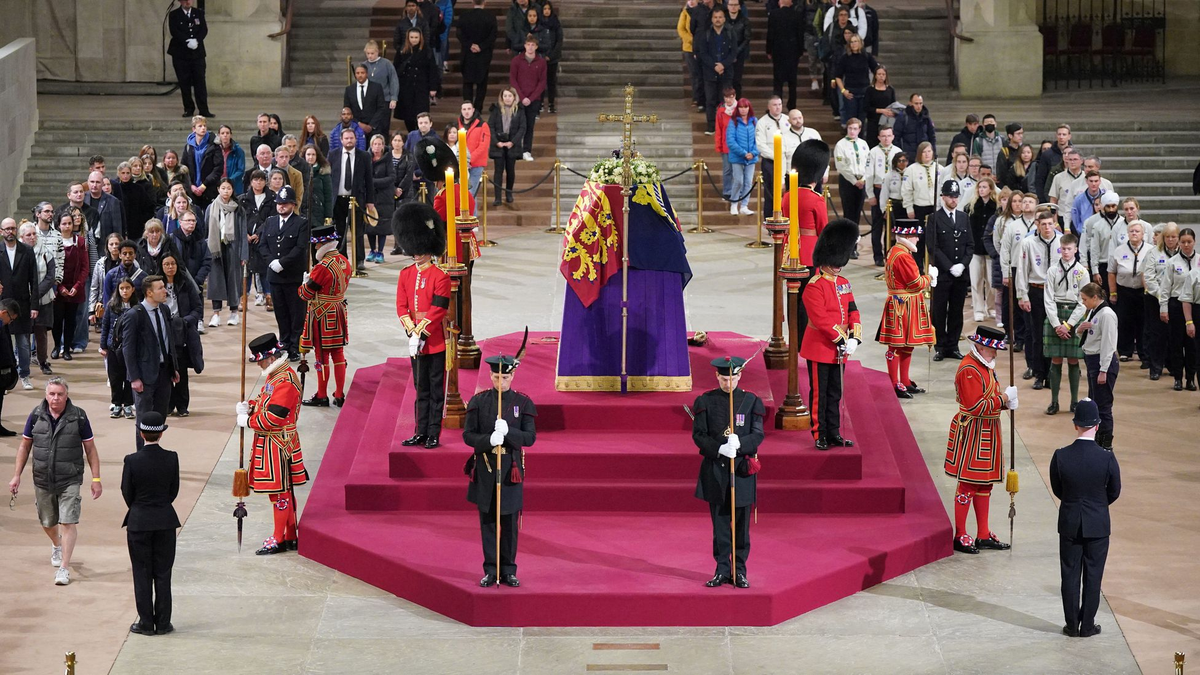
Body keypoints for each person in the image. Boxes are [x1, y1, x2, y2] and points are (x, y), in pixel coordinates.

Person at [8, 375, 102, 586]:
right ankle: (56, 544)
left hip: (70, 478)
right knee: (47, 521)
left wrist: (96, 478)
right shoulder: (35, 415)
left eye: (60, 394)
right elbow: (25, 446)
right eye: (52, 394)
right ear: (46, 395)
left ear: (67, 395)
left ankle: (64, 568)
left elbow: (91, 449)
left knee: (68, 521)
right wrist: (17, 475)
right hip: (42, 478)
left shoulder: (79, 417)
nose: (56, 398)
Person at [462, 351, 537, 588]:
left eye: (505, 378)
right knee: (488, 522)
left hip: (509, 472)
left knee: (510, 524)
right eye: (496, 377)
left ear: (512, 376)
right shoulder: (479, 401)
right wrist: (488, 439)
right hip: (485, 467)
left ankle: (508, 570)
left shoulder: (523, 403)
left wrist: (509, 433)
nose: (500, 382)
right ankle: (490, 569)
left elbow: (530, 438)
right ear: (490, 375)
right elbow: (468, 436)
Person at [1048, 398, 1120, 638]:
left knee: (1069, 573)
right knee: (1093, 575)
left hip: (1069, 521)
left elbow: (1058, 490)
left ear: (1075, 424)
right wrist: (1098, 506)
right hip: (1098, 524)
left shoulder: (1060, 456)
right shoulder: (1107, 457)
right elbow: (1114, 490)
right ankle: (1087, 625)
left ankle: (1071, 625)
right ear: (1097, 425)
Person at [944, 325, 1017, 554]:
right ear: (982, 346)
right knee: (968, 483)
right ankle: (960, 533)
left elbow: (990, 397)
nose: (995, 354)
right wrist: (1004, 398)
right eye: (993, 350)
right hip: (974, 431)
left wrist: (1005, 402)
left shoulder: (984, 366)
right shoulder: (969, 369)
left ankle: (983, 534)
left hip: (988, 431)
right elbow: (976, 406)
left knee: (984, 483)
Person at [692, 356, 764, 588]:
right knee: (721, 527)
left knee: (742, 529)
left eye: (733, 378)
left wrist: (740, 444)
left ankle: (740, 571)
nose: (729, 383)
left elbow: (758, 434)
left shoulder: (751, 401)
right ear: (717, 376)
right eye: (724, 378)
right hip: (716, 472)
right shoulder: (705, 400)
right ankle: (722, 570)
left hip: (741, 472)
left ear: (739, 376)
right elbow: (699, 435)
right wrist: (720, 447)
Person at [236, 333, 308, 555]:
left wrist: (248, 421)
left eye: (259, 360)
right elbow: (265, 400)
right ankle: (290, 533)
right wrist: (250, 406)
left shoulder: (284, 381)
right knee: (283, 491)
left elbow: (272, 418)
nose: (258, 364)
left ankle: (279, 538)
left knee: (280, 493)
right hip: (273, 441)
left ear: (268, 357)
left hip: (277, 442)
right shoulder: (275, 375)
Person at [800, 218, 861, 450]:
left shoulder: (843, 282)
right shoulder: (814, 286)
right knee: (820, 395)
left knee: (835, 393)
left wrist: (855, 336)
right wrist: (844, 339)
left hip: (840, 349)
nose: (838, 266)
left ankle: (834, 432)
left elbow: (853, 310)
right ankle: (819, 434)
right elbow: (821, 321)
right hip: (820, 348)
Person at [395, 202, 451, 449]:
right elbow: (401, 306)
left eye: (419, 250)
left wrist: (421, 331)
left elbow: (439, 308)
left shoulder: (441, 276)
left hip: (435, 340)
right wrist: (411, 331)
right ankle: (420, 431)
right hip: (415, 342)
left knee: (436, 389)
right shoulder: (406, 274)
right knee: (421, 389)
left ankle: (433, 433)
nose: (415, 254)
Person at [120, 409, 180, 636]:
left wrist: (139, 508)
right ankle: (163, 622)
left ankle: (146, 623)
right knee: (163, 574)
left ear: (141, 433)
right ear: (161, 434)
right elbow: (173, 490)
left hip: (139, 522)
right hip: (165, 520)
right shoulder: (172, 457)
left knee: (142, 573)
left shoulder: (132, 460)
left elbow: (127, 492)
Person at [780, 139, 830, 354]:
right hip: (810, 255)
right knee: (809, 302)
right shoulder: (816, 199)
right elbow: (823, 230)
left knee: (793, 300)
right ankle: (806, 343)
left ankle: (794, 339)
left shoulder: (787, 196)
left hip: (790, 253)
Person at [877, 223, 935, 397]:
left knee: (907, 345)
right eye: (916, 235)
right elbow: (915, 283)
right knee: (896, 346)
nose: (918, 238)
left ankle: (905, 380)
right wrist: (929, 278)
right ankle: (895, 383)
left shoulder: (899, 251)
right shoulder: (903, 255)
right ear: (908, 237)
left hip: (905, 303)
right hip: (902, 305)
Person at [122, 275, 179, 449]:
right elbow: (128, 349)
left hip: (164, 372)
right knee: (144, 419)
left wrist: (174, 367)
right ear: (149, 292)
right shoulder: (134, 315)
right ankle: (142, 455)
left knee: (159, 418)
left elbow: (169, 340)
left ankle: (154, 451)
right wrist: (134, 378)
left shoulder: (164, 310)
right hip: (144, 376)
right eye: (160, 288)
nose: (165, 291)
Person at [299, 223, 352, 408]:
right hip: (338, 311)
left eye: (316, 244)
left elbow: (305, 294)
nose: (315, 248)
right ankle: (339, 394)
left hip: (322, 315)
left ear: (323, 245)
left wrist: (304, 283)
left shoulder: (321, 267)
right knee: (338, 353)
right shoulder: (345, 261)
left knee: (322, 356)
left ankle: (321, 395)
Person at [258, 187, 310, 359]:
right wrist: (272, 262)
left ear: (293, 205)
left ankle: (295, 345)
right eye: (279, 204)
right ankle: (284, 342)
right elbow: (263, 245)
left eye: (285, 204)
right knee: (280, 313)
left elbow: (300, 248)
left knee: (296, 313)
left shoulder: (301, 223)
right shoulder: (270, 221)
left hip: (293, 276)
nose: (281, 207)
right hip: (275, 276)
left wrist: (283, 263)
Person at [1015, 208, 1064, 388]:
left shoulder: (1061, 241)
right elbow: (1022, 270)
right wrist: (1023, 295)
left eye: (1050, 224)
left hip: (1056, 293)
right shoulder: (1028, 243)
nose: (1047, 227)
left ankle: (1052, 374)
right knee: (1036, 334)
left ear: (1054, 224)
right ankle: (1039, 374)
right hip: (1036, 290)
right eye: (1043, 224)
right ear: (1037, 225)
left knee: (1053, 334)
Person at [1041, 233, 1089, 414]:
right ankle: (1054, 401)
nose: (1066, 252)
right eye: (1063, 248)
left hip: (1074, 317)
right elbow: (1048, 299)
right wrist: (1056, 324)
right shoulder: (1052, 271)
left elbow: (1083, 301)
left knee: (1074, 359)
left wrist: (1068, 325)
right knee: (1056, 358)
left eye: (1069, 249)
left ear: (1076, 249)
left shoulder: (1083, 272)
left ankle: (1074, 401)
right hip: (1056, 314)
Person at [927, 180, 973, 361]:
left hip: (960, 274)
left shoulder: (963, 217)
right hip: (942, 274)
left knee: (956, 311)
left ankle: (953, 345)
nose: (953, 200)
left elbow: (970, 245)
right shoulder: (934, 218)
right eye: (950, 196)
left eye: (956, 196)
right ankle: (940, 345)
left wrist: (962, 264)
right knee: (939, 310)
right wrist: (949, 266)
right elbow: (933, 246)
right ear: (943, 197)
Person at [1076, 283, 1120, 448]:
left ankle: (1106, 444)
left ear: (1095, 297)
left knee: (1103, 407)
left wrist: (1103, 370)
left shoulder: (1107, 314)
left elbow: (1109, 344)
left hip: (1102, 363)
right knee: (1095, 403)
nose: (1083, 302)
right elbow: (1088, 333)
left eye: (1085, 299)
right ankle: (1096, 441)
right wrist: (1080, 329)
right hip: (1093, 361)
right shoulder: (1094, 311)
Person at [159, 254, 203, 418]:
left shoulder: (186, 282)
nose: (170, 267)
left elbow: (197, 308)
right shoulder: (157, 284)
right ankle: (169, 404)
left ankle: (182, 405)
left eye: (173, 264)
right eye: (166, 264)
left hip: (183, 331)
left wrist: (185, 322)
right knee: (167, 370)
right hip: (165, 331)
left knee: (182, 371)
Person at [329, 127, 375, 274]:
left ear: (356, 139)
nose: (349, 140)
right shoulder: (333, 155)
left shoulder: (364, 156)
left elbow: (369, 180)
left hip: (356, 199)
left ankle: (359, 259)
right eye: (346, 138)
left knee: (358, 231)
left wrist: (370, 201)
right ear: (341, 140)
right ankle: (342, 259)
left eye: (351, 138)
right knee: (340, 231)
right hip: (338, 199)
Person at [1107, 221, 1150, 366]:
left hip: (1143, 291)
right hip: (1124, 290)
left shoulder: (1150, 250)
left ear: (1143, 234)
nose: (1134, 234)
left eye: (1137, 231)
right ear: (1127, 234)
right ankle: (1125, 351)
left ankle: (1144, 353)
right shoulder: (1119, 250)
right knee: (1124, 321)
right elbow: (1111, 272)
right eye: (1131, 231)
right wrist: (1113, 292)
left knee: (1143, 321)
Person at [1144, 223, 1180, 381]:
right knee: (1157, 334)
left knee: (1175, 334)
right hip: (1155, 299)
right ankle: (1155, 367)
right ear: (1162, 238)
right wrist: (1162, 296)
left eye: (1173, 237)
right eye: (1167, 237)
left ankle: (1174, 365)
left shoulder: (1184, 254)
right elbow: (1149, 278)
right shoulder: (1153, 253)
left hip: (1177, 299)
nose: (1170, 240)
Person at [52, 212, 89, 362]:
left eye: (69, 223)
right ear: (59, 225)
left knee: (71, 320)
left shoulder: (80, 241)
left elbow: (85, 267)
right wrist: (59, 287)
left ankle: (67, 348)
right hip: (58, 287)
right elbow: (51, 266)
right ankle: (56, 347)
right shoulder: (55, 241)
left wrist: (77, 286)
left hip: (74, 288)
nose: (67, 227)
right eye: (64, 224)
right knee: (57, 319)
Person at [22, 223, 56, 383]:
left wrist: (35, 294)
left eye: (34, 234)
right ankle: (23, 363)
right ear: (21, 237)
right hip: (23, 300)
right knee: (23, 333)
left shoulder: (46, 253)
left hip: (43, 299)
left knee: (41, 333)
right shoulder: (18, 254)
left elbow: (50, 277)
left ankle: (43, 361)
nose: (32, 237)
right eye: (28, 235)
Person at [1164, 228, 1197, 391]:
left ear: (1194, 242)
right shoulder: (1172, 262)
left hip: (1194, 306)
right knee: (1176, 343)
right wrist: (1164, 308)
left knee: (1192, 345)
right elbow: (1165, 287)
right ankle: (1177, 377)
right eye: (1183, 242)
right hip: (1176, 304)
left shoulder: (1199, 261)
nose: (1186, 245)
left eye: (1189, 242)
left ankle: (1190, 378)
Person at [167, 0, 211, 118]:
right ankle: (188, 108)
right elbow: (174, 31)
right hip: (181, 53)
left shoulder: (198, 13)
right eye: (185, 0)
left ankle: (204, 109)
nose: (188, 2)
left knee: (200, 81)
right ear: (180, 1)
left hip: (197, 53)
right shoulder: (174, 14)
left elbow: (203, 29)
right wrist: (186, 41)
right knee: (184, 82)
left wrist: (197, 40)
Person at [101, 278, 138, 419]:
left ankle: (128, 404)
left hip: (130, 348)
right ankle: (116, 404)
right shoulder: (112, 306)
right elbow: (105, 326)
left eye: (127, 288)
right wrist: (103, 346)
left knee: (129, 377)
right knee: (115, 377)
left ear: (132, 289)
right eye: (122, 288)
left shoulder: (137, 306)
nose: (124, 291)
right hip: (113, 348)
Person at [696, 6, 735, 137]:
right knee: (710, 100)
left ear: (724, 19)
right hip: (709, 72)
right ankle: (711, 126)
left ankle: (724, 126)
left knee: (724, 101)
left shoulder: (730, 33)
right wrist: (714, 66)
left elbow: (733, 53)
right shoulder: (705, 34)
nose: (718, 20)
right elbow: (703, 53)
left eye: (720, 17)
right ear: (712, 19)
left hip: (726, 72)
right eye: (715, 17)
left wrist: (723, 64)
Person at [902, 142, 942, 268]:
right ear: (919, 154)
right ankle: (918, 267)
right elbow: (906, 190)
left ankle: (934, 267)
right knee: (919, 239)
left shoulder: (939, 168)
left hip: (935, 207)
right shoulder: (911, 170)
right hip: (919, 208)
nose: (927, 154)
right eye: (924, 152)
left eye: (929, 151)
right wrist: (909, 207)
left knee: (936, 239)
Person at [394, 30, 442, 134]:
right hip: (406, 87)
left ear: (420, 38)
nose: (414, 40)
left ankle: (420, 133)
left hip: (421, 87)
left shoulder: (427, 51)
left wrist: (433, 87)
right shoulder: (402, 50)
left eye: (416, 37)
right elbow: (396, 68)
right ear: (408, 38)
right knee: (407, 114)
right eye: (412, 37)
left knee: (422, 112)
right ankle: (413, 133)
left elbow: (432, 69)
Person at [965, 178, 999, 321]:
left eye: (985, 187)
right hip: (975, 250)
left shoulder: (996, 208)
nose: (982, 190)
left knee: (991, 282)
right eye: (980, 187)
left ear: (991, 189)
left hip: (990, 250)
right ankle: (978, 309)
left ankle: (990, 307)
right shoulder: (971, 207)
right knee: (976, 280)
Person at [509, 34, 547, 161]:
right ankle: (516, 149)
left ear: (536, 47)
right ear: (524, 46)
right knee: (517, 125)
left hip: (533, 100)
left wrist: (531, 98)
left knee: (530, 125)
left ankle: (526, 150)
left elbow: (542, 82)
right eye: (528, 45)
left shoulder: (541, 62)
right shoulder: (516, 60)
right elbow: (513, 79)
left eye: (533, 45)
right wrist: (521, 96)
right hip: (519, 99)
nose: (530, 47)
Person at [458, 0, 498, 112]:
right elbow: (493, 35)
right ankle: (478, 108)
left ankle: (468, 108)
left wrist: (470, 45)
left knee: (467, 82)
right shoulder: (490, 17)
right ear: (485, 2)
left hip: (468, 53)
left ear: (472, 2)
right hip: (483, 54)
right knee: (482, 83)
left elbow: (459, 34)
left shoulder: (464, 16)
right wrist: (481, 46)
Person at [488, 88, 526, 206]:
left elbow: (522, 128)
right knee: (498, 171)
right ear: (502, 97)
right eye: (505, 96)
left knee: (510, 170)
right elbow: (490, 127)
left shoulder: (519, 110)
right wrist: (496, 141)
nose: (507, 98)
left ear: (514, 97)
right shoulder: (496, 109)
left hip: (512, 145)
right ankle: (497, 197)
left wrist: (512, 142)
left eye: (510, 96)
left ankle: (509, 194)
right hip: (498, 145)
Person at [765, 0, 805, 111]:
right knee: (792, 81)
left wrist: (769, 50)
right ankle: (792, 105)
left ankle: (776, 106)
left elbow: (770, 34)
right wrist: (801, 51)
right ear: (791, 3)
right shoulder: (797, 15)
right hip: (793, 52)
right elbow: (800, 35)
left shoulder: (774, 14)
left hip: (778, 52)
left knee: (778, 81)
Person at [832, 35, 877, 128]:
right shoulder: (845, 58)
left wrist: (874, 86)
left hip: (864, 92)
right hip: (850, 93)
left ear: (860, 43)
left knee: (862, 120)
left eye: (856, 41)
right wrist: (843, 91)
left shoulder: (867, 56)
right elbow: (838, 76)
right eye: (851, 42)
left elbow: (876, 71)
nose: (854, 44)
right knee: (852, 120)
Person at [833, 117, 869, 230]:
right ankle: (848, 243)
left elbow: (868, 163)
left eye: (855, 129)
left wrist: (863, 179)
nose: (852, 131)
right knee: (849, 213)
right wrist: (854, 181)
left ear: (859, 130)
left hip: (862, 181)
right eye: (850, 128)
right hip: (848, 181)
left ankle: (855, 243)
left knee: (857, 212)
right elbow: (841, 166)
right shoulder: (841, 145)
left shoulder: (863, 144)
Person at [725, 98, 758, 216]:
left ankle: (744, 205)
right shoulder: (733, 122)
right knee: (738, 181)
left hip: (752, 157)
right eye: (741, 107)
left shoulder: (754, 121)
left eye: (746, 107)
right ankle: (734, 203)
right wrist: (744, 153)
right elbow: (730, 141)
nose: (743, 110)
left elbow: (759, 139)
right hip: (737, 157)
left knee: (748, 182)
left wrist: (753, 153)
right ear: (737, 108)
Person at [367, 134, 397, 262]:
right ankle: (372, 249)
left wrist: (373, 182)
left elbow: (391, 177)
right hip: (370, 196)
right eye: (375, 144)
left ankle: (380, 252)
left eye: (379, 144)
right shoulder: (366, 158)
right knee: (370, 225)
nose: (377, 146)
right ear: (371, 145)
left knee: (382, 226)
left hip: (384, 196)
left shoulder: (388, 159)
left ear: (383, 145)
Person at [458, 101, 492, 213]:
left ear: (473, 110)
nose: (466, 112)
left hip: (476, 164)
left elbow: (483, 146)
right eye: (464, 109)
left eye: (469, 109)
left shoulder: (483, 125)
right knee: (464, 193)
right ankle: (472, 216)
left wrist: (468, 160)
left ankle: (471, 218)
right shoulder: (458, 125)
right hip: (460, 164)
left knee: (471, 192)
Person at [181, 116, 222, 208]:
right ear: (193, 129)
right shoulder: (188, 147)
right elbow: (184, 168)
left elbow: (218, 168)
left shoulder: (214, 145)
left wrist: (204, 185)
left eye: (204, 126)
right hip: (192, 190)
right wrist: (191, 185)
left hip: (209, 188)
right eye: (200, 126)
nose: (203, 128)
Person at [754, 96, 787, 211]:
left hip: (787, 161)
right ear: (769, 107)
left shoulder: (787, 120)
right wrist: (776, 156)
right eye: (775, 105)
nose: (778, 107)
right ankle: (769, 219)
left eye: (779, 104)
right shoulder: (762, 122)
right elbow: (760, 145)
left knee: (787, 191)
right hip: (770, 162)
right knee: (771, 192)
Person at [362, 41, 399, 138]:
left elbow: (393, 81)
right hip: (368, 101)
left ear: (377, 52)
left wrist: (393, 98)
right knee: (369, 127)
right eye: (368, 53)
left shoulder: (386, 64)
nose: (370, 56)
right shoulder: (363, 65)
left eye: (372, 53)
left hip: (384, 100)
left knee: (383, 126)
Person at [893, 94, 936, 161]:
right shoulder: (903, 117)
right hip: (908, 155)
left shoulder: (926, 117)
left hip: (924, 154)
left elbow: (932, 136)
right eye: (916, 103)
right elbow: (896, 137)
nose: (919, 106)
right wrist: (900, 154)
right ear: (910, 103)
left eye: (920, 103)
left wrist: (933, 152)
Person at [863, 65, 894, 149]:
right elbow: (865, 107)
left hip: (886, 122)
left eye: (883, 74)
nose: (881, 76)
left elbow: (894, 105)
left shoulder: (890, 89)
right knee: (872, 144)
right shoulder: (869, 90)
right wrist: (881, 110)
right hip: (873, 121)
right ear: (875, 75)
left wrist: (891, 112)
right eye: (879, 74)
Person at [714, 88, 738, 199]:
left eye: (731, 97)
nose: (729, 99)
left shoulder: (740, 109)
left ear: (735, 96)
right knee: (727, 169)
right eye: (726, 97)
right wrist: (718, 144)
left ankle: (738, 191)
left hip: (738, 145)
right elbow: (718, 129)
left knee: (738, 170)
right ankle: (727, 191)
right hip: (726, 145)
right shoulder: (721, 111)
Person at [540, 1, 563, 113]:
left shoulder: (555, 23)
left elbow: (559, 41)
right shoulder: (539, 23)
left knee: (551, 82)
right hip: (540, 58)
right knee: (540, 82)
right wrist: (543, 55)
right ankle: (539, 103)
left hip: (552, 58)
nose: (547, 11)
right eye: (544, 9)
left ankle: (551, 104)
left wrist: (550, 56)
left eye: (548, 9)